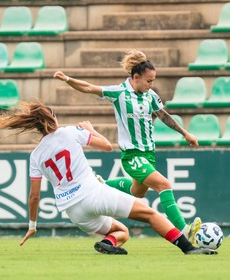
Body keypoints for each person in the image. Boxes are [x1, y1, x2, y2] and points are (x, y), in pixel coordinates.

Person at [0, 101, 217, 255]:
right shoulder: (70, 132)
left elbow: (34, 196)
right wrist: (91, 129)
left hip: (74, 212)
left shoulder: (36, 155)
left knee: (120, 232)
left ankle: (108, 245)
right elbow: (107, 146)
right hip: (93, 193)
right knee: (150, 214)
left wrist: (32, 226)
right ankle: (188, 248)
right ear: (53, 118)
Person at [53, 49, 201, 244]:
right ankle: (185, 231)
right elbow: (90, 87)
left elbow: (163, 115)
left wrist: (185, 133)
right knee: (163, 185)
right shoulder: (119, 93)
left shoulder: (150, 96)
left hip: (148, 154)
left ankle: (103, 184)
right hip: (132, 155)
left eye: (153, 81)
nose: (151, 85)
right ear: (136, 77)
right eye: (149, 81)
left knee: (138, 191)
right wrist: (68, 79)